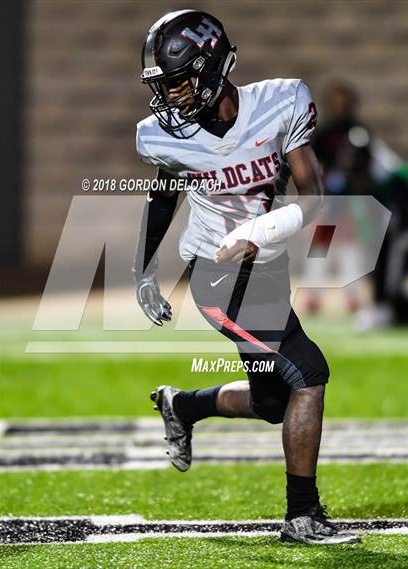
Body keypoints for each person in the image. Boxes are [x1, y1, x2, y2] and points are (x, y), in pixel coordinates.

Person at [133, 9, 359, 545]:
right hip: (216, 274)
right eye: (166, 86)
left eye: (181, 82)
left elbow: (315, 198)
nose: (174, 97)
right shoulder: (165, 136)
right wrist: (143, 272)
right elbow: (163, 195)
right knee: (308, 372)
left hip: (267, 265)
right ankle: (302, 515)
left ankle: (181, 404)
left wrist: (261, 231)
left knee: (272, 401)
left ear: (211, 68)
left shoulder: (279, 103)